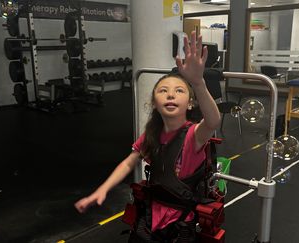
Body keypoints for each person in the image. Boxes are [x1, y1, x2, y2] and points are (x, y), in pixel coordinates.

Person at [74, 31, 221, 242]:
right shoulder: (151, 134)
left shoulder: (193, 135)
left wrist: (198, 83)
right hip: (150, 217)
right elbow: (128, 163)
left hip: (178, 223)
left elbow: (213, 121)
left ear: (190, 103)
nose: (170, 94)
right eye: (163, 91)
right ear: (154, 102)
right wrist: (102, 190)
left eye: (179, 90)